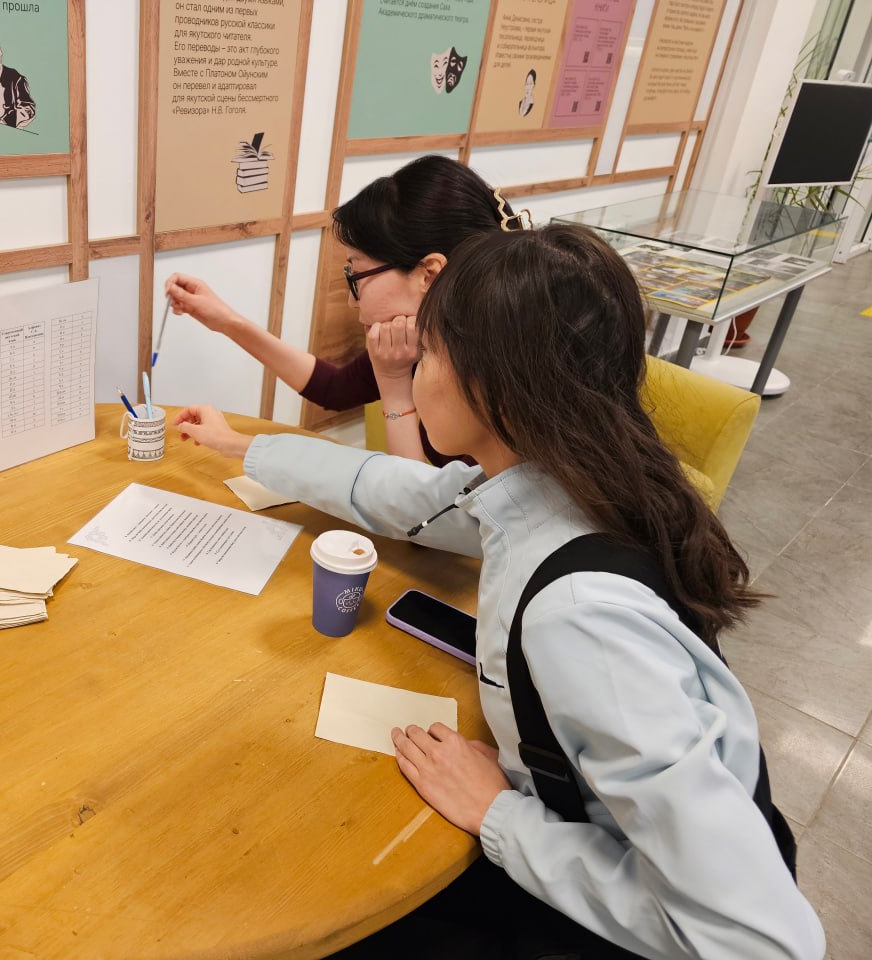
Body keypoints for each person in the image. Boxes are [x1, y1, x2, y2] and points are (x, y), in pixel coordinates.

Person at [171, 224, 824, 959]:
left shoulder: (579, 617)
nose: (414, 369)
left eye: (429, 353)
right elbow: (404, 493)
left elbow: (759, 941)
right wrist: (244, 447)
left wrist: (499, 814)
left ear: (492, 382)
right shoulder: (574, 476)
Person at [163, 155, 520, 465]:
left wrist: (394, 388)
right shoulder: (422, 342)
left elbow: (418, 507)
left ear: (428, 274)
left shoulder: (502, 379)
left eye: (357, 275)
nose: (352, 301)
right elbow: (334, 388)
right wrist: (227, 321)